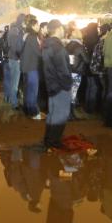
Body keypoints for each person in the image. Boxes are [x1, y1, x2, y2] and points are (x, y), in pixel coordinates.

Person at [41, 20, 72, 149]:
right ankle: (54, 141)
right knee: (61, 114)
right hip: (60, 86)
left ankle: (49, 139)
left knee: (53, 113)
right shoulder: (57, 47)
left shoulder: (46, 44)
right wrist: (67, 85)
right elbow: (63, 70)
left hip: (51, 83)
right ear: (58, 28)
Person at [20, 16, 43, 119]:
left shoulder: (26, 35)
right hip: (32, 67)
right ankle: (34, 112)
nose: (39, 27)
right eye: (38, 25)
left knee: (28, 90)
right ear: (33, 25)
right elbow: (38, 53)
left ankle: (28, 109)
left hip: (26, 66)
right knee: (33, 90)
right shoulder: (32, 37)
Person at [65, 29, 89, 120]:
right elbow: (86, 60)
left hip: (68, 71)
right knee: (73, 93)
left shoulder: (67, 46)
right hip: (76, 72)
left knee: (69, 92)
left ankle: (69, 113)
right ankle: (71, 114)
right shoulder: (80, 47)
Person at [7, 14, 26, 109]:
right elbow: (15, 46)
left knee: (16, 82)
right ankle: (14, 103)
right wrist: (19, 57)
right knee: (14, 82)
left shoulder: (17, 29)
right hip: (15, 59)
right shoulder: (15, 29)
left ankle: (14, 100)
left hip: (15, 58)